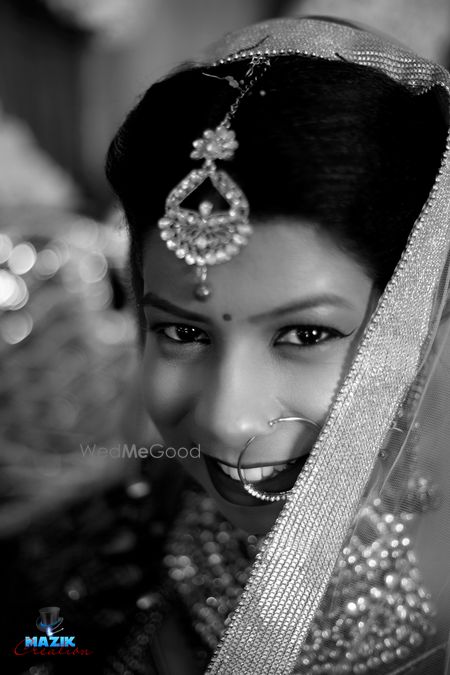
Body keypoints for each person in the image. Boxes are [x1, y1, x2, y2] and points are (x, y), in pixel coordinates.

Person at [105, 16, 450, 674]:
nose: (227, 420)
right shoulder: (84, 571)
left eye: (306, 335)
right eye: (182, 331)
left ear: (425, 322)